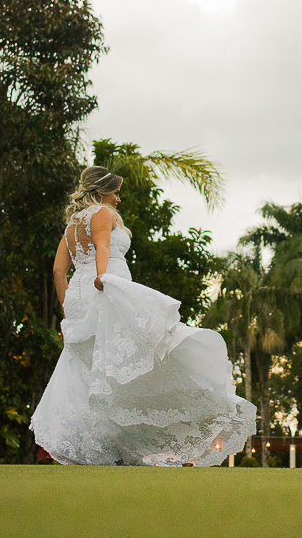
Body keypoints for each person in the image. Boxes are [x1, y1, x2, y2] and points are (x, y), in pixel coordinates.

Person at [30, 166, 256, 466]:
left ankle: (106, 445)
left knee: (92, 369)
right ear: (101, 192)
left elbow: (59, 271)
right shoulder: (102, 214)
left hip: (79, 300)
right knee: (144, 352)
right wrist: (103, 278)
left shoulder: (71, 226)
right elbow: (103, 246)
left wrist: (66, 308)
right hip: (105, 290)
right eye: (116, 192)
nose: (119, 199)